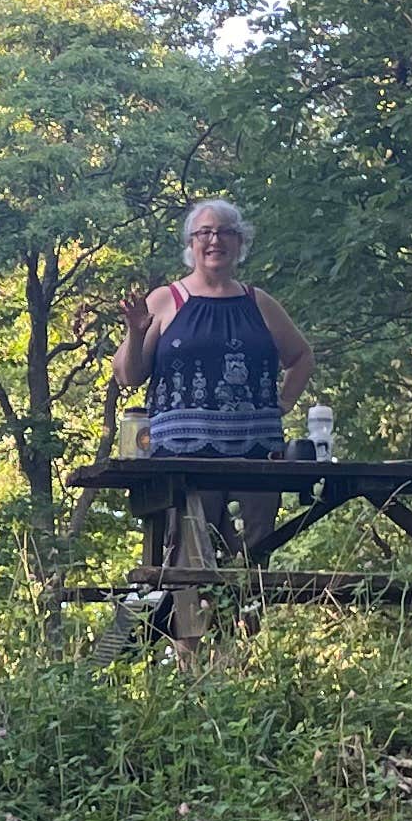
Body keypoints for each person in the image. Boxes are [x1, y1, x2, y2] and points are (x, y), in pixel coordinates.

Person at [115, 197, 314, 555]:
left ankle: (246, 615)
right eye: (204, 232)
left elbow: (301, 357)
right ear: (191, 244)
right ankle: (187, 614)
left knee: (251, 567)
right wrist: (135, 332)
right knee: (189, 561)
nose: (215, 240)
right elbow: (128, 376)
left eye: (225, 232)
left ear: (240, 243)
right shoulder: (166, 300)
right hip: (183, 460)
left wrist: (283, 403)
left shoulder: (259, 302)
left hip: (257, 461)